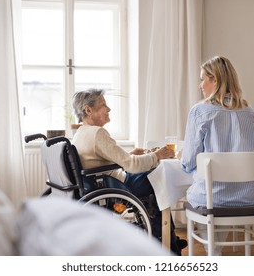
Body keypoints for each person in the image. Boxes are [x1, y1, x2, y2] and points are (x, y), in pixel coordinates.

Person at [71, 88, 187, 255]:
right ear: (88, 110)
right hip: (115, 187)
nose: (109, 109)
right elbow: (132, 165)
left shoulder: (81, 133)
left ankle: (169, 240)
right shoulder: (97, 133)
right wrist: (158, 155)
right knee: (160, 177)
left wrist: (134, 155)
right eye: (103, 105)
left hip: (104, 183)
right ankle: (167, 244)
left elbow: (101, 161)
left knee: (154, 176)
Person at [180, 56, 254, 255]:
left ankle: (213, 253)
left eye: (202, 80)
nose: (200, 85)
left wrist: (186, 159)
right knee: (220, 193)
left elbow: (189, 162)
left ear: (214, 80)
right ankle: (215, 251)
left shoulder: (200, 111)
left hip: (213, 199)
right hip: (248, 198)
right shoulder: (251, 113)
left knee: (207, 194)